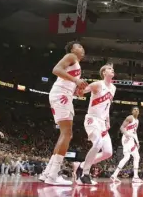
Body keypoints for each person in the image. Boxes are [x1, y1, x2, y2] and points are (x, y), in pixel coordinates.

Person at [39, 41, 87, 186]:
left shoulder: (76, 64)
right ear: (72, 49)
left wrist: (76, 89)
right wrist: (76, 81)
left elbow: (68, 80)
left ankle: (47, 173)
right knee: (67, 134)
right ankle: (53, 175)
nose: (82, 48)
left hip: (62, 94)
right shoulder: (71, 56)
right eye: (79, 46)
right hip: (61, 95)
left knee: (64, 134)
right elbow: (56, 70)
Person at [73, 63, 116, 186]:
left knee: (108, 152)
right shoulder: (97, 84)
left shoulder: (113, 88)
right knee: (97, 143)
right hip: (92, 119)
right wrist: (79, 89)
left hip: (102, 122)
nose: (112, 70)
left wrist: (108, 121)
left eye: (112, 69)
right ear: (103, 73)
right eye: (109, 68)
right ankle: (84, 175)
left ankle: (81, 165)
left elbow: (107, 106)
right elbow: (80, 93)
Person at [110, 107, 143, 183]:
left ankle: (114, 175)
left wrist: (137, 142)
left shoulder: (137, 121)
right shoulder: (130, 117)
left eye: (137, 109)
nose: (136, 110)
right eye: (134, 109)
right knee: (136, 156)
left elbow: (134, 133)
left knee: (127, 157)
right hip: (127, 138)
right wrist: (127, 135)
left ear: (139, 112)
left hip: (131, 139)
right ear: (132, 111)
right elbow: (122, 128)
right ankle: (135, 177)